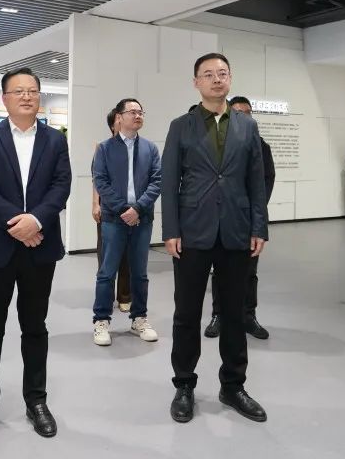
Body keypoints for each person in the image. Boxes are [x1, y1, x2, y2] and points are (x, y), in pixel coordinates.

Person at [162, 53, 270, 424]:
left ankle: (233, 386)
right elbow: (170, 180)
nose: (216, 79)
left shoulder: (247, 126)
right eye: (208, 74)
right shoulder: (181, 126)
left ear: (230, 78)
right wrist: (171, 230)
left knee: (234, 313)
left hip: (236, 231)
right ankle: (184, 385)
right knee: (187, 313)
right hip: (193, 231)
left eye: (222, 73)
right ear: (197, 82)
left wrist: (259, 227)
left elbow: (256, 180)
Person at [0, 68, 71, 446]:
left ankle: (36, 401)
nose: (27, 96)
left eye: (33, 91)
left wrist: (36, 220)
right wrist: (18, 223)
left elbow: (62, 184)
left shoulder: (55, 140)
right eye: (18, 91)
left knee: (35, 327)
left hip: (40, 249)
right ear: (5, 99)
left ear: (39, 97)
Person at [90, 98, 162, 346]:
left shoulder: (150, 149)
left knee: (139, 273)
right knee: (106, 272)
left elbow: (157, 181)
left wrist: (138, 208)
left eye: (141, 112)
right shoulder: (104, 149)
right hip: (114, 218)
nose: (138, 115)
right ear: (119, 117)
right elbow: (100, 181)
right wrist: (123, 209)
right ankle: (101, 321)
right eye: (132, 112)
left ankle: (139, 318)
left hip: (142, 219)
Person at [205, 96, 276, 340]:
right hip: (220, 219)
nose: (243, 116)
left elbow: (266, 181)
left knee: (249, 273)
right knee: (219, 271)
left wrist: (253, 211)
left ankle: (248, 316)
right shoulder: (218, 144)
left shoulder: (261, 145)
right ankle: (218, 315)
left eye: (247, 112)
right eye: (238, 112)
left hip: (247, 221)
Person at [92, 109, 131, 313]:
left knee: (128, 255)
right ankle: (105, 297)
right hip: (107, 209)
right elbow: (96, 179)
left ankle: (125, 295)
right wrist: (95, 204)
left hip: (130, 210)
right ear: (113, 125)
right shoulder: (103, 148)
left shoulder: (136, 148)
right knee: (106, 255)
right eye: (118, 119)